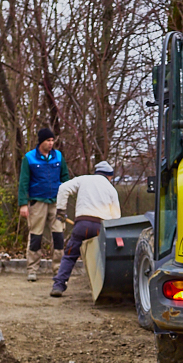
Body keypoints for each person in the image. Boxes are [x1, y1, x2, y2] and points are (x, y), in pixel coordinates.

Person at [50, 161, 121, 297]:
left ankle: (58, 285)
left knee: (70, 256)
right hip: (101, 227)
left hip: (82, 225)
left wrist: (60, 210)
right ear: (109, 176)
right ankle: (102, 289)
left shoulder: (84, 179)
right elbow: (116, 217)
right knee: (101, 259)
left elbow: (63, 188)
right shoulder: (111, 189)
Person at [18, 127, 72, 282]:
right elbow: (23, 182)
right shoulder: (29, 158)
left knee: (59, 235)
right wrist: (23, 203)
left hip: (56, 202)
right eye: (48, 140)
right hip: (38, 202)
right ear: (41, 141)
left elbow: (65, 177)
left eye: (52, 140)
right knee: (36, 235)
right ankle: (32, 269)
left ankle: (58, 270)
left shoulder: (58, 157)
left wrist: (66, 195)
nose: (51, 143)